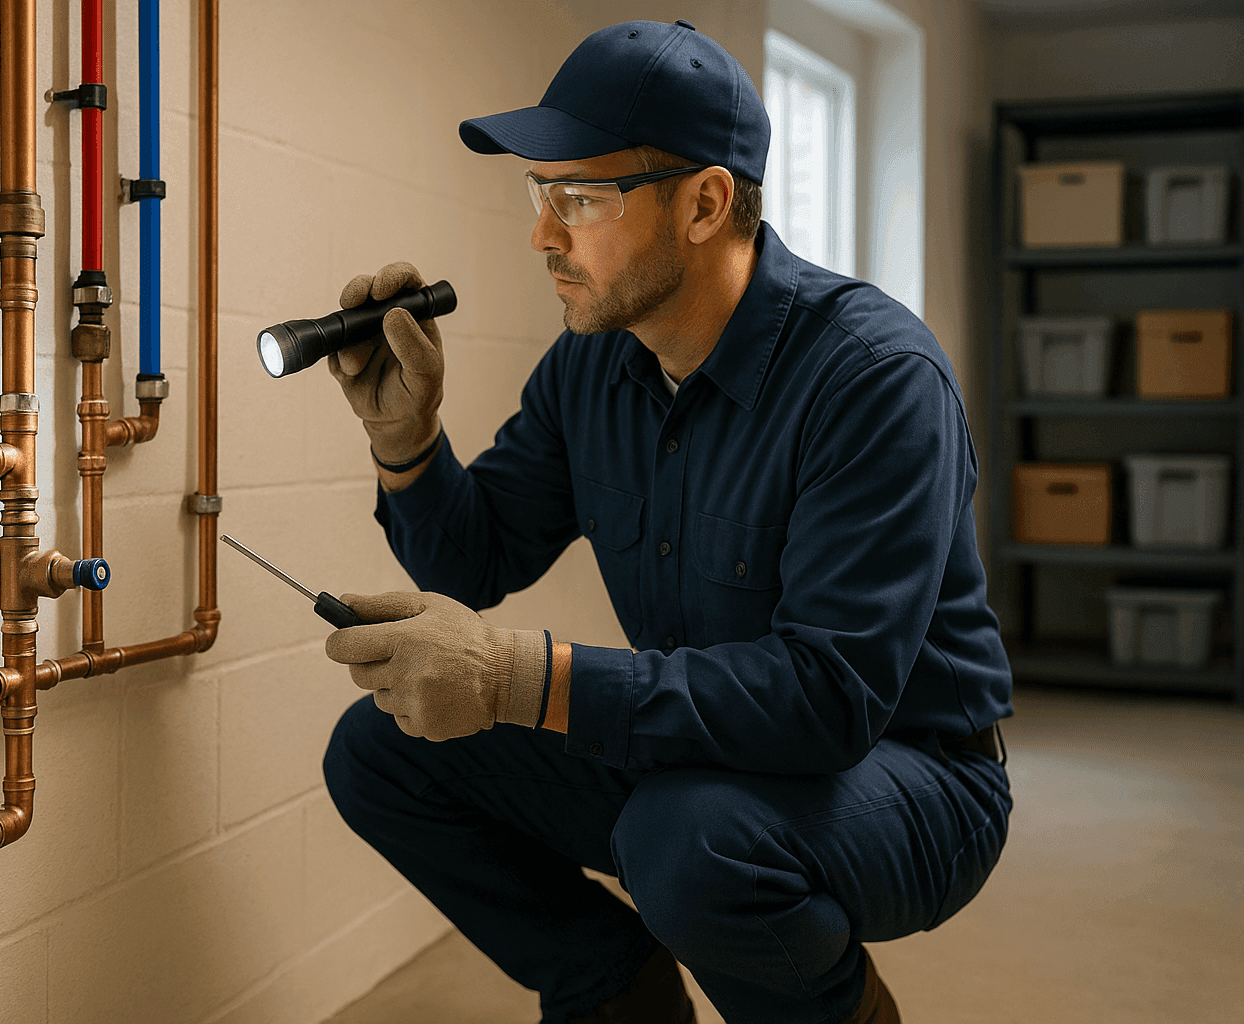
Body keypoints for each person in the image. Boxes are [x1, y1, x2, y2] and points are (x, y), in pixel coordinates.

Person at [319, 18, 1013, 1024]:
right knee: (382, 749)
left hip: (912, 774)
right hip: (704, 755)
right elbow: (473, 559)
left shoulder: (873, 379)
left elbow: (827, 698)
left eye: (581, 197)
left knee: (688, 841)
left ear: (705, 202)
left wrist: (520, 677)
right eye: (537, 192)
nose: (542, 234)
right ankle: (615, 990)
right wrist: (409, 444)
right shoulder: (593, 364)